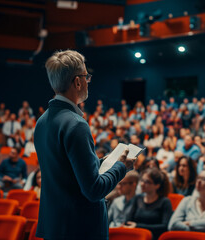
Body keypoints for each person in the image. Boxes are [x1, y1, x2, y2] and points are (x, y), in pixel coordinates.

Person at [34, 50, 135, 240]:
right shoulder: (76, 124)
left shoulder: (42, 121)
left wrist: (105, 162)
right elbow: (94, 190)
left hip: (56, 226)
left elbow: (67, 172)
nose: (88, 81)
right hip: (80, 229)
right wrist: (122, 167)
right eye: (86, 76)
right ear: (77, 82)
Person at [124, 168, 172, 240]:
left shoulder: (165, 202)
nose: (142, 184)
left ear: (157, 185)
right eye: (142, 180)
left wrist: (138, 226)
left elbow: (164, 227)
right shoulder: (137, 198)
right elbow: (128, 221)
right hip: (136, 237)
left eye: (147, 182)